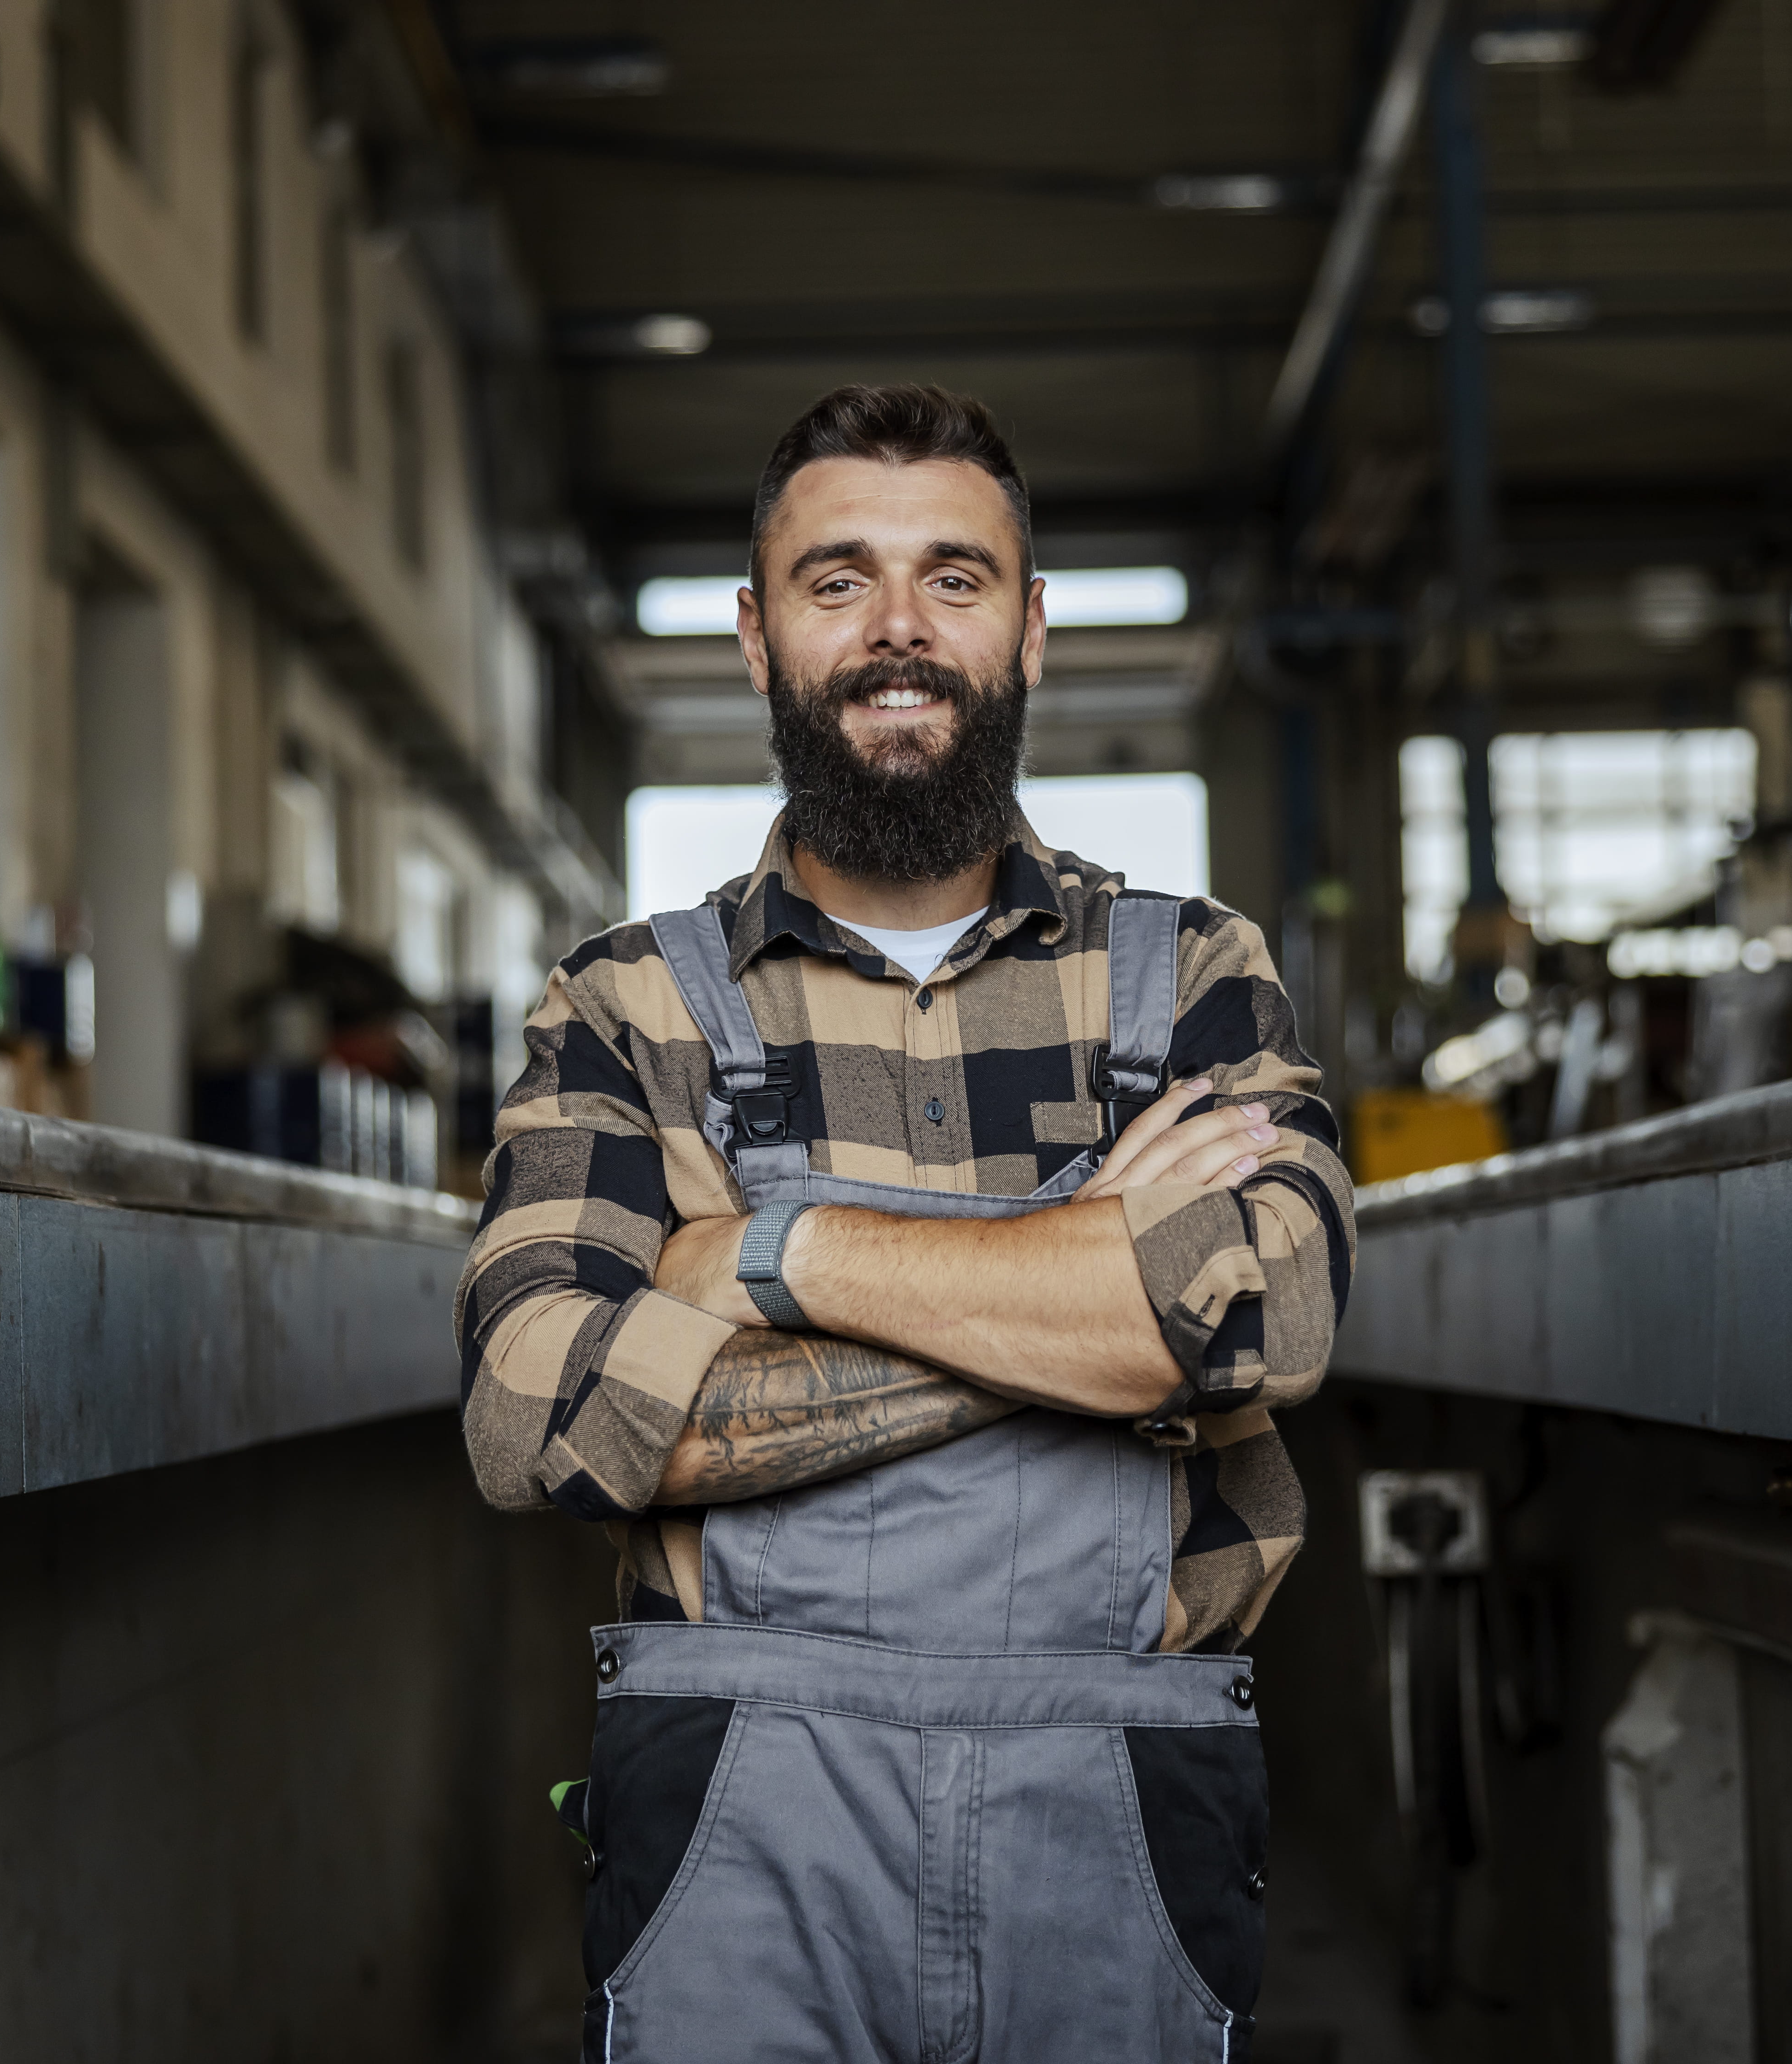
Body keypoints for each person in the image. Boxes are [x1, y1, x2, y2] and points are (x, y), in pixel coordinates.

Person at [457, 382, 1353, 2063]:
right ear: (755, 635)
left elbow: (1271, 1324)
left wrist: (770, 1261)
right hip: (742, 1806)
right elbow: (541, 1415)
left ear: (1030, 627)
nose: (896, 630)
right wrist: (1092, 1285)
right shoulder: (627, 1008)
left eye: (955, 578)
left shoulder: (1191, 975)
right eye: (836, 578)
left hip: (1122, 1789)